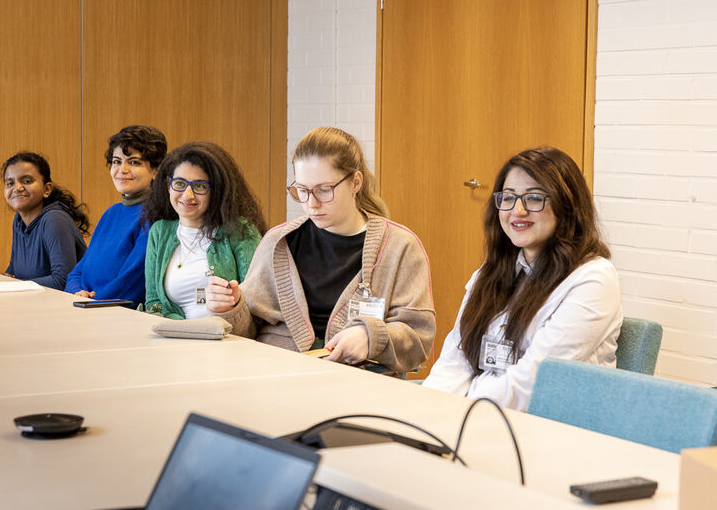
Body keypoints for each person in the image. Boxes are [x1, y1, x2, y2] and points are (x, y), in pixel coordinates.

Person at [206, 127, 435, 373]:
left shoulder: (399, 246)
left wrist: (371, 338)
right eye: (302, 191)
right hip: (276, 377)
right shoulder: (278, 243)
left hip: (358, 383)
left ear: (355, 182)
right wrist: (232, 307)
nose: (312, 204)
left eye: (324, 190)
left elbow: (419, 339)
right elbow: (247, 331)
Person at [422, 147, 623, 411]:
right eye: (508, 198)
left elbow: (532, 383)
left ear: (567, 206)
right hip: (482, 416)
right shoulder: (491, 272)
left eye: (534, 198)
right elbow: (456, 359)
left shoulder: (593, 280)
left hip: (552, 428)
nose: (518, 210)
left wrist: (461, 407)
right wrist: (425, 410)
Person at [142, 142, 266, 319]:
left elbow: (258, 299)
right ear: (168, 185)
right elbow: (154, 303)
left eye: (199, 186)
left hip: (229, 338)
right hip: (175, 338)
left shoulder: (240, 231)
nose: (187, 195)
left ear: (216, 191)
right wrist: (183, 329)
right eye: (179, 183)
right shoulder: (159, 232)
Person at [65, 125, 167, 307]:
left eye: (134, 162)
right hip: (85, 307)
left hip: (116, 316)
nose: (122, 169)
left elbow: (131, 284)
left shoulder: (154, 216)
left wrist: (91, 303)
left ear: (155, 171)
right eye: (117, 161)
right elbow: (77, 271)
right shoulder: (111, 213)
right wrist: (76, 293)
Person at [2, 152, 89, 290]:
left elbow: (63, 280)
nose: (17, 188)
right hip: (34, 302)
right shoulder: (18, 220)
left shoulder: (54, 220)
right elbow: (13, 272)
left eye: (26, 181)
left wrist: (15, 285)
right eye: (10, 183)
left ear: (47, 189)